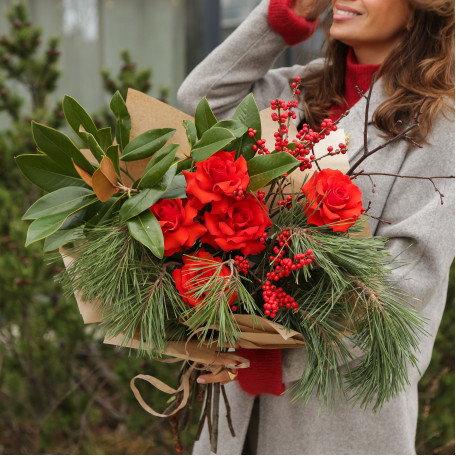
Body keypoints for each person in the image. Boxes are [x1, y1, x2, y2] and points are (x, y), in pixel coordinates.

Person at [177, 0, 455, 454]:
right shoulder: (300, 91)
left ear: (420, 8)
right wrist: (286, 14)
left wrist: (264, 359)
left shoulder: (438, 122)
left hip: (342, 419)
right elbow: (201, 101)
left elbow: (400, 293)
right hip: (236, 413)